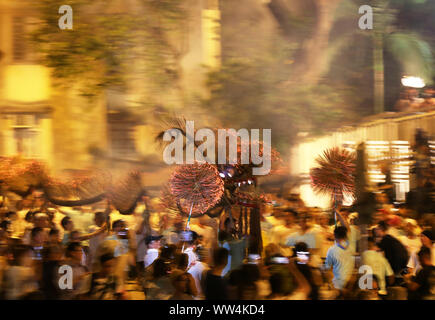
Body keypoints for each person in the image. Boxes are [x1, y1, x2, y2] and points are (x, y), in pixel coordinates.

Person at [324, 225, 355, 292]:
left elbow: (327, 268)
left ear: (334, 236)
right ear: (346, 236)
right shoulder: (351, 247)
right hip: (350, 283)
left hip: (338, 285)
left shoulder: (332, 250)